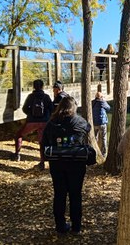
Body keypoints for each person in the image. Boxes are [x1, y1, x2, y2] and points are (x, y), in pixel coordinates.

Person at [41, 96, 91, 235]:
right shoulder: (79, 122)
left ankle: (60, 226)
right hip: (76, 163)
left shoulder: (51, 123)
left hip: (56, 164)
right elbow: (88, 128)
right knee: (76, 195)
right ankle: (76, 227)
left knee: (59, 194)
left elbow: (44, 142)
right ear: (73, 107)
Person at [14, 79, 53, 170]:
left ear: (34, 87)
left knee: (19, 135)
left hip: (31, 121)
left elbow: (24, 109)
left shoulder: (30, 96)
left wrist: (31, 114)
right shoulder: (46, 97)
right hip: (44, 122)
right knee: (42, 142)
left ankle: (17, 155)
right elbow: (51, 109)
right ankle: (42, 163)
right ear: (42, 86)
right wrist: (46, 116)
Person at [92, 92, 111, 156]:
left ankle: (95, 152)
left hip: (94, 123)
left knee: (95, 138)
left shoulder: (92, 102)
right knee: (103, 138)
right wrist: (104, 100)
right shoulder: (102, 102)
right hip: (102, 123)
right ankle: (104, 153)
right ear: (101, 97)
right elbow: (108, 108)